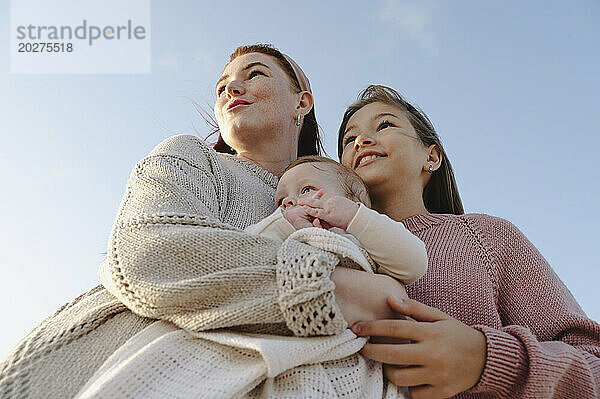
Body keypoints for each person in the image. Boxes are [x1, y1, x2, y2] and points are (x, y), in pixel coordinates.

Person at [0, 45, 410, 398]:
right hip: (123, 363)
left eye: (255, 74)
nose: (232, 88)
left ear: (302, 103)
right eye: (222, 86)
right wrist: (341, 290)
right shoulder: (189, 155)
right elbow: (151, 252)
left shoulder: (335, 193)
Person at [332, 84, 600, 398]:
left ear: (431, 156)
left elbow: (592, 363)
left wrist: (485, 360)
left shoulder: (487, 236)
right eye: (349, 139)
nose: (361, 141)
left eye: (385, 124)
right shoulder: (325, 245)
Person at [246, 155, 428, 285]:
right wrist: (282, 223)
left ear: (351, 203)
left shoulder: (364, 244)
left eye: (307, 190)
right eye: (281, 201)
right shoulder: (280, 239)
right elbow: (245, 250)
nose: (288, 201)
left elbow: (414, 265)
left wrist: (356, 218)